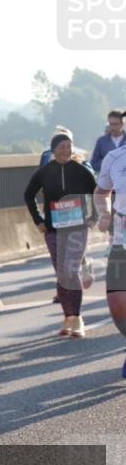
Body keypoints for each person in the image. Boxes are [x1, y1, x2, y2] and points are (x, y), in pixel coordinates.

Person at [24, 133, 98, 337]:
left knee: (70, 270)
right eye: (61, 146)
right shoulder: (45, 172)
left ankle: (77, 318)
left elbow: (99, 194)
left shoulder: (81, 171)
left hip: (77, 228)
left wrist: (94, 217)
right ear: (53, 149)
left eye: (69, 146)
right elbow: (28, 195)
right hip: (53, 229)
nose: (66, 150)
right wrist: (38, 221)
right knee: (62, 273)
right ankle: (67, 317)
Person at [96, 143, 126, 376]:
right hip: (121, 238)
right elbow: (101, 191)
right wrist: (105, 212)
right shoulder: (114, 158)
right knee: (117, 303)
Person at [91, 110, 124, 175]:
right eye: (110, 124)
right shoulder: (101, 141)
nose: (113, 127)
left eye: (116, 124)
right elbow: (93, 164)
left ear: (122, 124)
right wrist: (107, 164)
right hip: (107, 181)